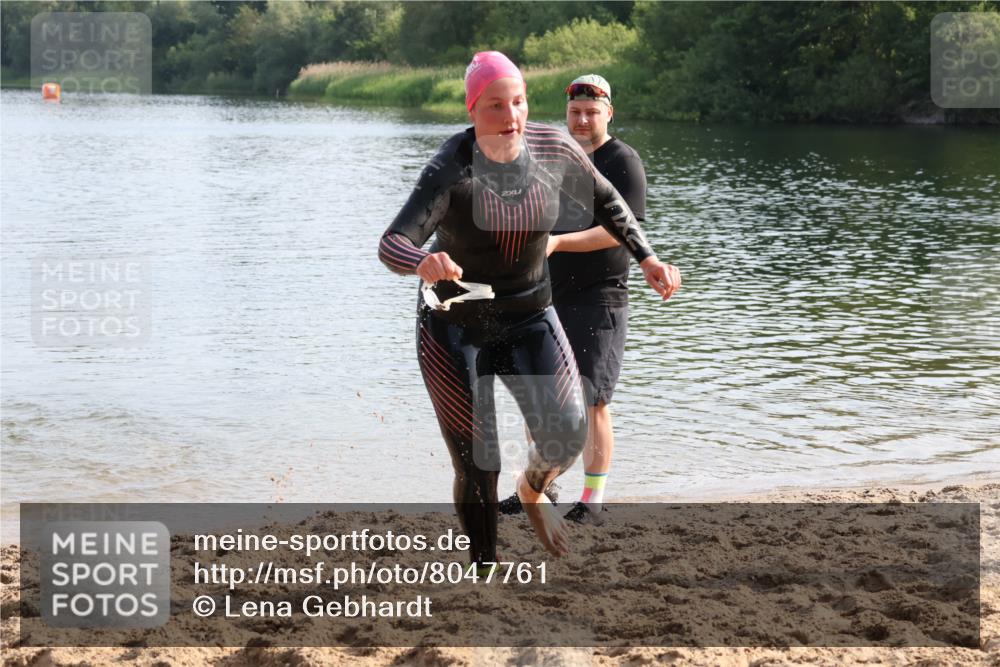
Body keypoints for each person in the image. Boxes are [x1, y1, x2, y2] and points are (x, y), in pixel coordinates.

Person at [378, 52, 681, 567]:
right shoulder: (450, 167)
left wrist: (646, 256)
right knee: (479, 463)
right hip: (454, 326)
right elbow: (392, 243)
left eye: (518, 102)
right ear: (474, 109)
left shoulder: (553, 147)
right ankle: (485, 565)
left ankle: (532, 489)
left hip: (529, 315)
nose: (512, 116)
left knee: (567, 434)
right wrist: (423, 259)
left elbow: (610, 201)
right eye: (496, 105)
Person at [499, 74, 650, 525]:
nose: (582, 120)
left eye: (591, 112)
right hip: (544, 296)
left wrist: (559, 244)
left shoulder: (623, 160)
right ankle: (538, 487)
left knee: (593, 400)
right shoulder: (554, 157)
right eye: (574, 113)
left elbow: (623, 230)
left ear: (608, 113)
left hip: (599, 298)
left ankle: (593, 501)